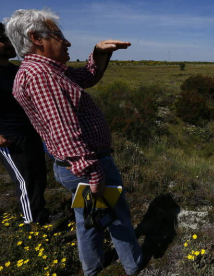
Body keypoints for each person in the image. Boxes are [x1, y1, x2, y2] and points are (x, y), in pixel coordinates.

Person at [5, 9, 142, 276]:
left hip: (74, 166)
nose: (67, 43)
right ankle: (133, 266)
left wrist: (99, 51)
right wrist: (93, 171)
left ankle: (92, 268)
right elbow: (64, 131)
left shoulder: (47, 71)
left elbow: (87, 77)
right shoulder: (41, 76)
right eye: (58, 35)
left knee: (88, 218)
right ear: (35, 38)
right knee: (117, 216)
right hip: (87, 164)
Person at [0, 22, 49, 226]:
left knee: (39, 176)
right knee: (25, 181)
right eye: (4, 40)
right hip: (9, 138)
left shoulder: (15, 70)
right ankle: (33, 227)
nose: (11, 44)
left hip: (30, 132)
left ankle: (40, 215)